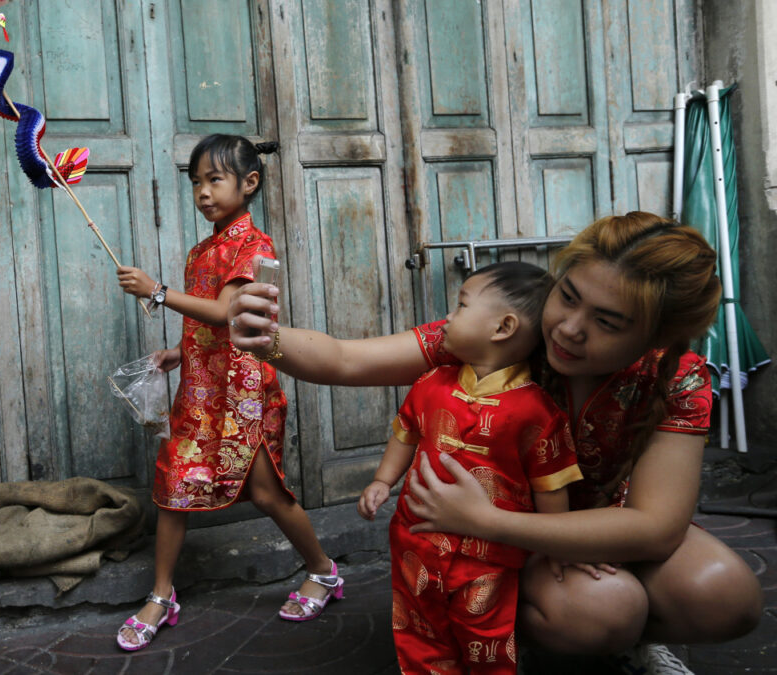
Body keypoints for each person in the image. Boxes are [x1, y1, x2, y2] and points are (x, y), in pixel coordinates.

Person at [228, 211, 762, 669]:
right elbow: (346, 359)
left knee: (724, 597)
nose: (569, 329)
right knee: (605, 609)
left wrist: (486, 520)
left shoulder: (678, 377)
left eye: (607, 321)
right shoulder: (510, 340)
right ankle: (493, 637)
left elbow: (656, 527)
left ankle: (624, 641)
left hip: (569, 527)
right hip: (501, 546)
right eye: (568, 297)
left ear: (656, 336)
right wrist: (267, 338)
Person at [113, 134, 341, 651]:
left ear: (249, 183)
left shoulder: (253, 246)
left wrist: (156, 290)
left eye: (215, 179)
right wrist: (179, 351)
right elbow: (204, 321)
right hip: (200, 388)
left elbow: (226, 313)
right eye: (196, 182)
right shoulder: (202, 251)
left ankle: (323, 571)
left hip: (244, 392)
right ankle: (162, 594)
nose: (203, 192)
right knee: (175, 485)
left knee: (265, 492)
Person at [357, 261, 582, 674]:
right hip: (417, 542)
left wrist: (557, 547)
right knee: (418, 629)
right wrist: (382, 479)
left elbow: (550, 486)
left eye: (461, 306)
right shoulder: (431, 382)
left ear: (502, 327)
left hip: (489, 556)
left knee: (486, 639)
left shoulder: (537, 412)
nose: (448, 317)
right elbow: (406, 432)